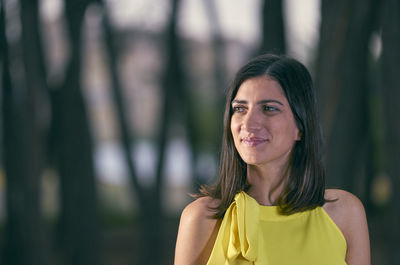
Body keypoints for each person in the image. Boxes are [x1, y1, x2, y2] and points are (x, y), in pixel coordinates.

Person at [174, 54, 370, 265]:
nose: (248, 124)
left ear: (300, 126)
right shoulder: (201, 219)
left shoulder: (345, 214)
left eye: (269, 108)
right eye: (240, 109)